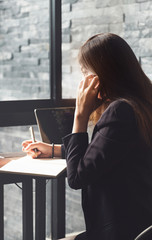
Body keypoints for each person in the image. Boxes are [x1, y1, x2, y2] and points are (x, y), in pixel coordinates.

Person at [22, 33, 152, 240]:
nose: (83, 81)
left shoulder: (119, 111)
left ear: (103, 75)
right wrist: (55, 149)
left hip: (118, 232)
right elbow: (106, 153)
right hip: (141, 225)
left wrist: (80, 116)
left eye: (85, 72)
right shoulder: (140, 105)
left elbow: (77, 177)